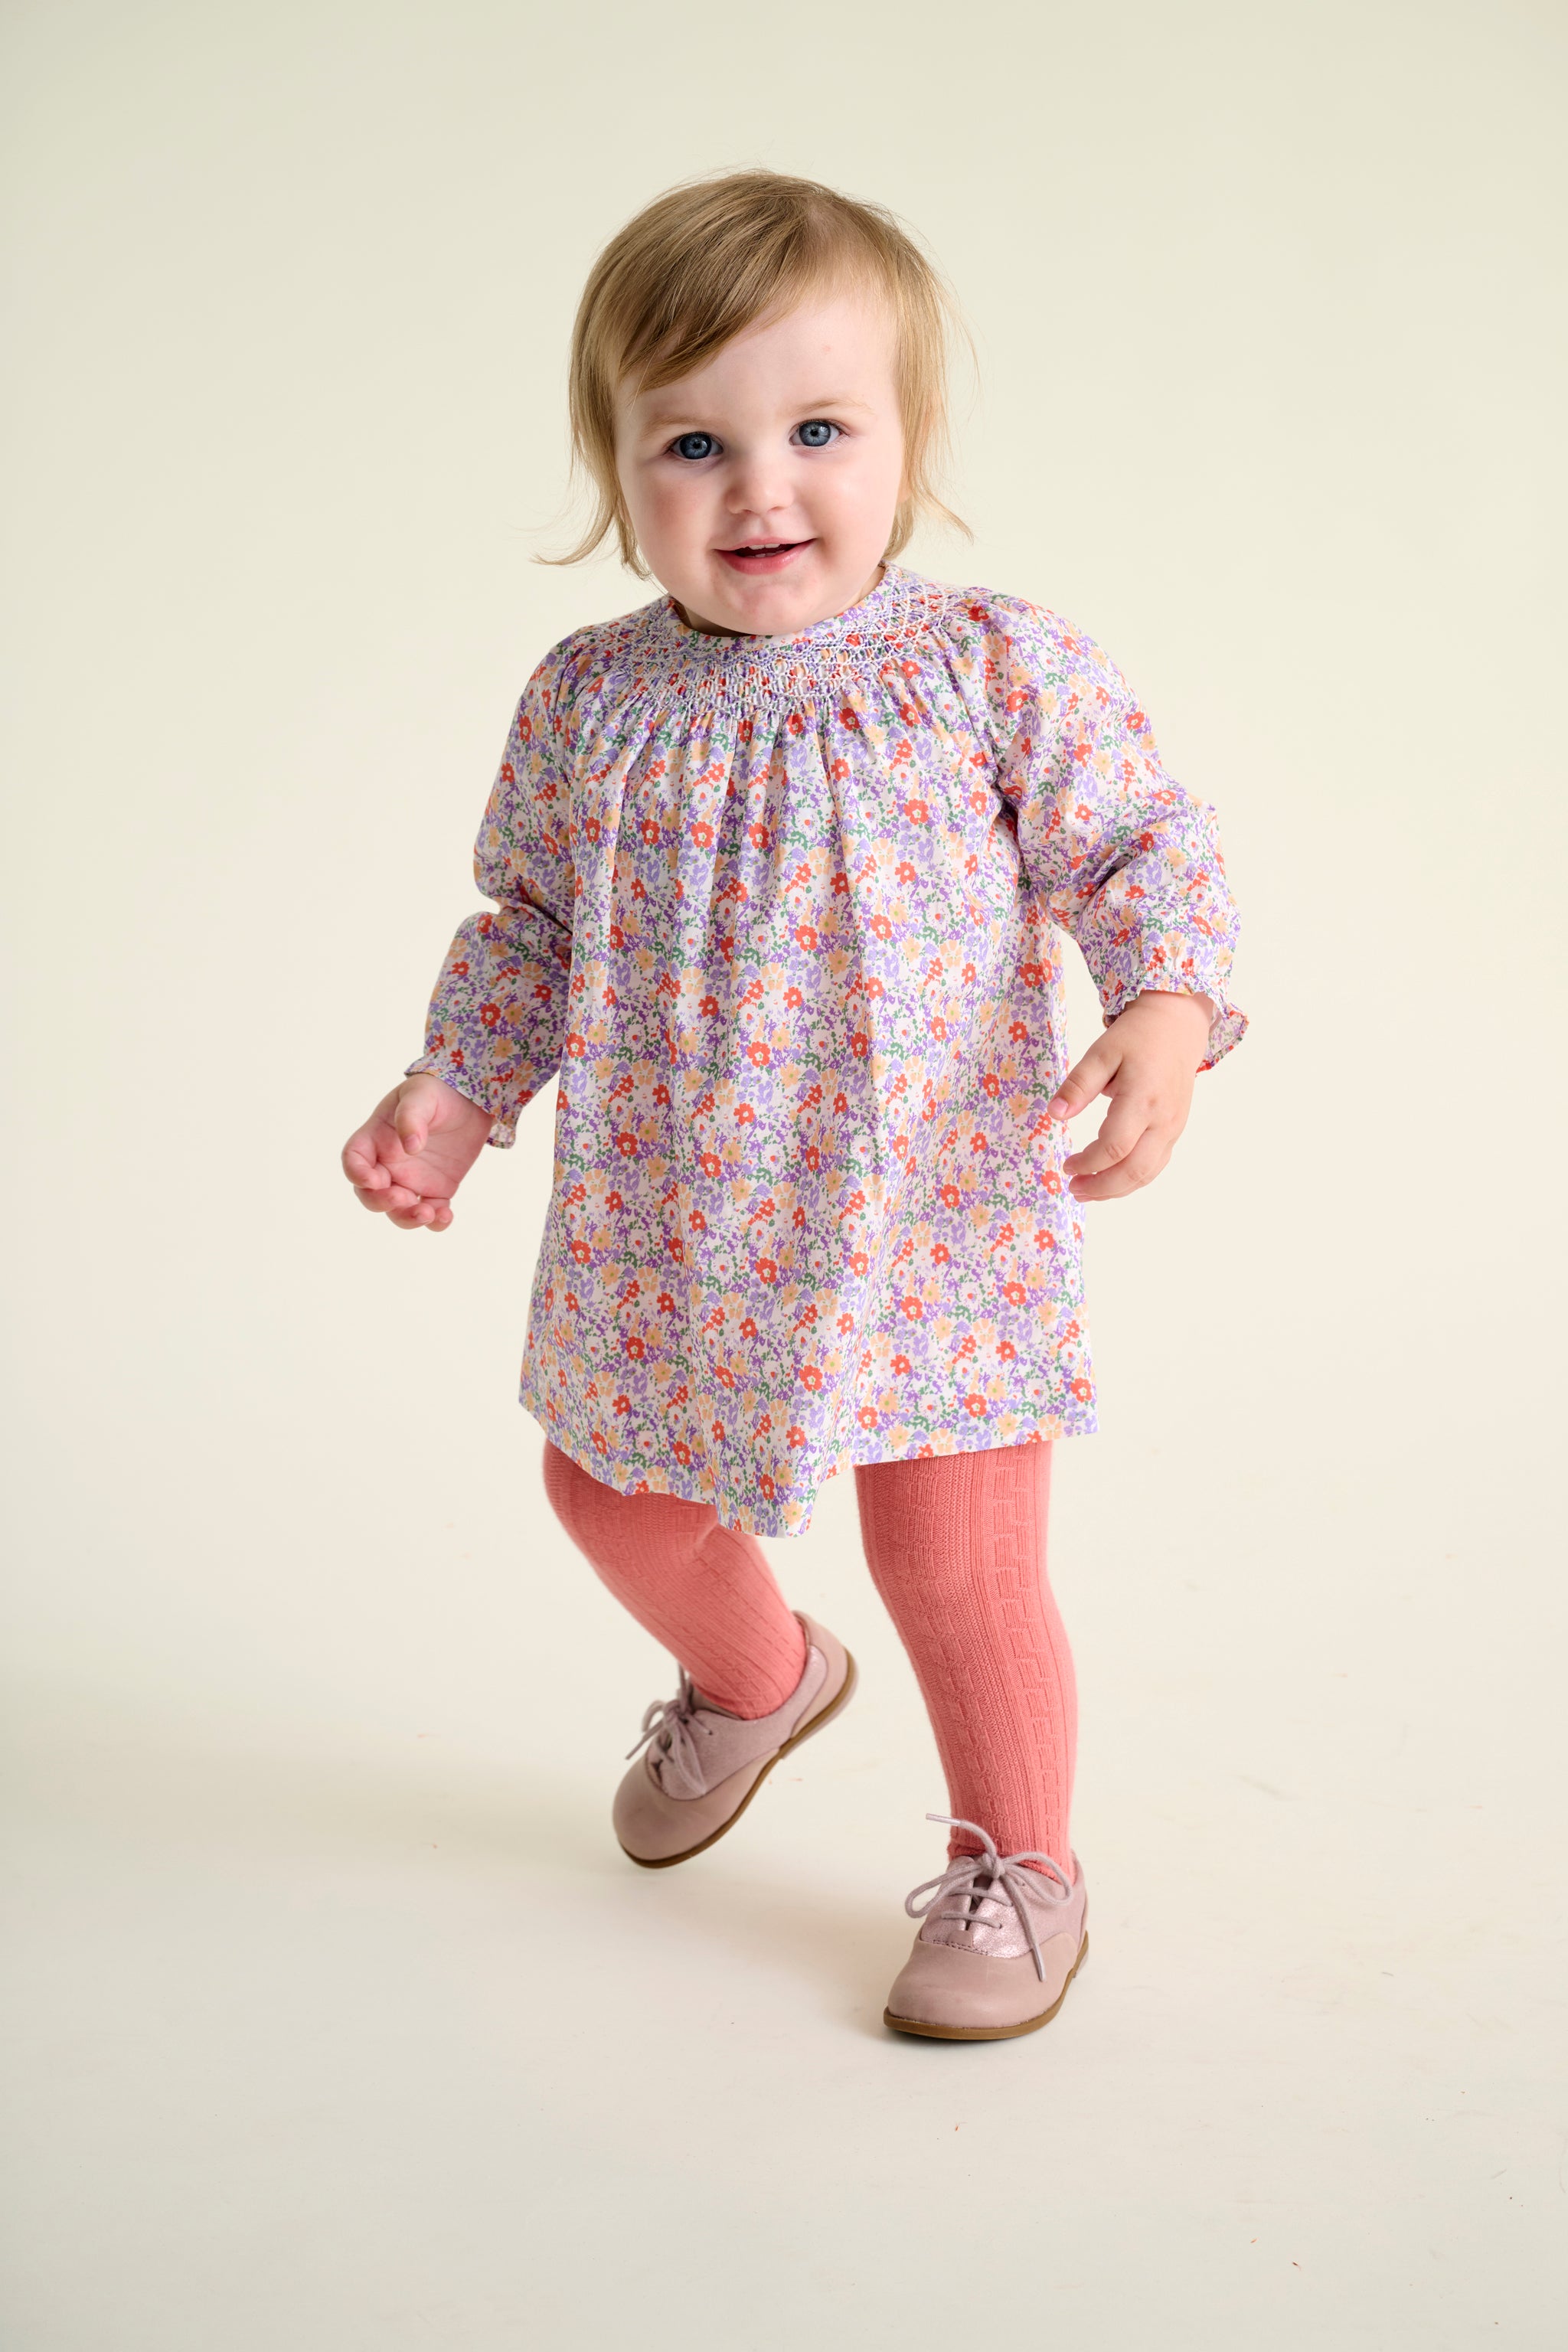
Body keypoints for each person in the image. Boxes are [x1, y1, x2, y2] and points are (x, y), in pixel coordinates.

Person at [341, 168, 1245, 2042]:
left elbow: (1143, 842)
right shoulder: (589, 700)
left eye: (818, 429)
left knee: (956, 1563)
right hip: (665, 1231)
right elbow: (529, 923)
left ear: (907, 442)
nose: (761, 488)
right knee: (604, 1493)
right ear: (618, 469)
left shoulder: (992, 668)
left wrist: (1161, 1004)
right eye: (694, 441)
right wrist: (452, 1091)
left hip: (929, 1225)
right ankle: (755, 1680)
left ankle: (1023, 1866)